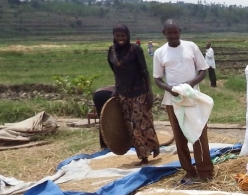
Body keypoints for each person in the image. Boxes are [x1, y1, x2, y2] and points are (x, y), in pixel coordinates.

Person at [153, 19, 214, 183]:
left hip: (193, 98)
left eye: (175, 32)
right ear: (164, 33)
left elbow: (203, 70)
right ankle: (189, 171)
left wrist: (191, 84)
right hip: (173, 101)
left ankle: (205, 171)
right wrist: (169, 88)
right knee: (180, 138)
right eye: (169, 33)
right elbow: (157, 79)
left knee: (199, 133)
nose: (173, 36)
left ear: (180, 31)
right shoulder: (160, 53)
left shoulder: (191, 47)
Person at [107, 24, 160, 164]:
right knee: (130, 125)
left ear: (128, 36)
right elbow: (116, 72)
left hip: (139, 92)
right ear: (113, 36)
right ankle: (143, 155)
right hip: (123, 94)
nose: (120, 38)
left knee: (141, 123)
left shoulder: (135, 49)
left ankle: (151, 149)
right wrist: (116, 89)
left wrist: (149, 92)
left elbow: (144, 71)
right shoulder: (111, 51)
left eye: (123, 35)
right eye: (117, 35)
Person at [91, 85, 115, 149]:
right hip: (107, 95)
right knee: (112, 122)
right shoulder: (123, 89)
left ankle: (104, 144)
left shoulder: (114, 86)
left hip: (97, 95)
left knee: (102, 121)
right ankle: (111, 144)